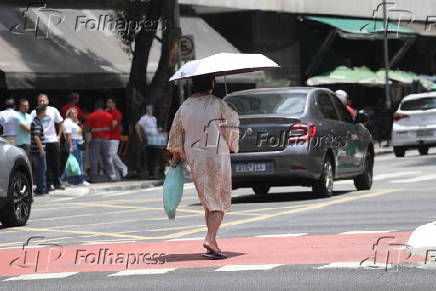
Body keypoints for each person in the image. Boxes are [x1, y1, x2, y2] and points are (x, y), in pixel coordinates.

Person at [167, 73, 240, 259]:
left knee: (209, 201)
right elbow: (231, 128)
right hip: (216, 155)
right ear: (212, 83)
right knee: (218, 201)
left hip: (195, 158)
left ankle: (212, 242)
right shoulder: (217, 104)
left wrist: (176, 156)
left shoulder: (184, 107)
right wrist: (233, 138)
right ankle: (210, 238)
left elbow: (176, 136)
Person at [31, 94, 65, 191]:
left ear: (48, 101)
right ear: (38, 102)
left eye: (44, 100)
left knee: (55, 163)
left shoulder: (53, 110)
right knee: (45, 166)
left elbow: (61, 122)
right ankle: (48, 184)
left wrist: (59, 136)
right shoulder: (34, 112)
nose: (42, 102)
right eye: (40, 101)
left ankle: (57, 183)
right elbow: (31, 125)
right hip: (41, 142)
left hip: (52, 140)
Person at [86, 99, 116, 183]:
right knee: (107, 158)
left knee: (94, 159)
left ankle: (93, 178)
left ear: (95, 106)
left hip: (95, 139)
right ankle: (112, 176)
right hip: (106, 139)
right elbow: (112, 126)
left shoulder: (91, 116)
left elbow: (88, 128)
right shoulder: (108, 115)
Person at [136, 104, 162, 179]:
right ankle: (150, 174)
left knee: (155, 156)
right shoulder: (144, 118)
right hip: (148, 139)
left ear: (152, 110)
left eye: (150, 109)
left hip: (155, 139)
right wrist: (140, 137)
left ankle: (154, 173)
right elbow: (137, 126)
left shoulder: (154, 118)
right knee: (149, 156)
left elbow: (154, 129)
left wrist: (158, 130)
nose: (149, 110)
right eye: (148, 109)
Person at [63, 107, 88, 185]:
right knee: (77, 162)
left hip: (78, 142)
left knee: (75, 163)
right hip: (73, 142)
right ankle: (79, 180)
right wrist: (70, 146)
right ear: (69, 114)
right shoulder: (68, 122)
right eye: (73, 113)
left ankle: (69, 179)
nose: (75, 114)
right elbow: (68, 135)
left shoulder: (74, 122)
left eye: (76, 113)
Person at [106, 98, 128, 179]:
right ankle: (115, 175)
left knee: (113, 154)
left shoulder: (117, 113)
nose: (108, 104)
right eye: (107, 102)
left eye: (110, 102)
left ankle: (123, 167)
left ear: (114, 104)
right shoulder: (106, 113)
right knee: (109, 157)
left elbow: (113, 125)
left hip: (114, 137)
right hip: (106, 137)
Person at [31, 105, 48, 195]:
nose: (46, 113)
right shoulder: (36, 122)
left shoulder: (36, 121)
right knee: (41, 170)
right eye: (45, 111)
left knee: (40, 170)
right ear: (41, 112)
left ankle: (41, 188)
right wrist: (41, 149)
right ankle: (41, 189)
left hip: (36, 150)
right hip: (37, 151)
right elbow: (36, 136)